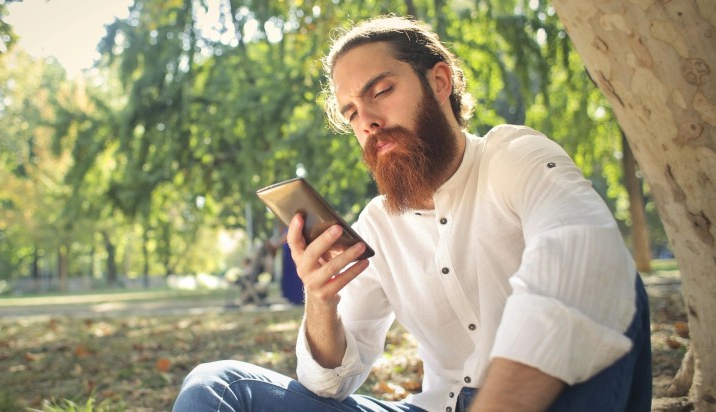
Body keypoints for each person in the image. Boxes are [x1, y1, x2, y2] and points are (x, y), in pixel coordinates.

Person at [174, 15, 651, 412]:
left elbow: (581, 258)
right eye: (351, 113)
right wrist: (320, 301)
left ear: (439, 82)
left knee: (607, 273)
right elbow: (328, 386)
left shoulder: (512, 157)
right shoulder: (377, 225)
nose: (367, 121)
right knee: (217, 386)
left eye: (381, 90)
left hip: (544, 399)